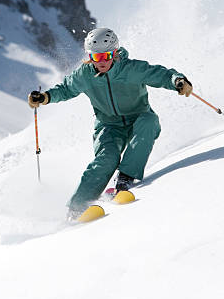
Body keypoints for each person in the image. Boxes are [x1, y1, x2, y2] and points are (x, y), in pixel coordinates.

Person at [28, 27, 192, 220]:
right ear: (90, 57)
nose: (102, 61)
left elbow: (160, 74)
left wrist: (177, 81)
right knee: (107, 158)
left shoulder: (131, 68)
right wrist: (45, 97)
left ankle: (124, 178)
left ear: (115, 53)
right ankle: (76, 208)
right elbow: (65, 89)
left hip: (138, 117)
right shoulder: (84, 75)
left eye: (106, 56)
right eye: (96, 57)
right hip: (108, 125)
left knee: (149, 121)